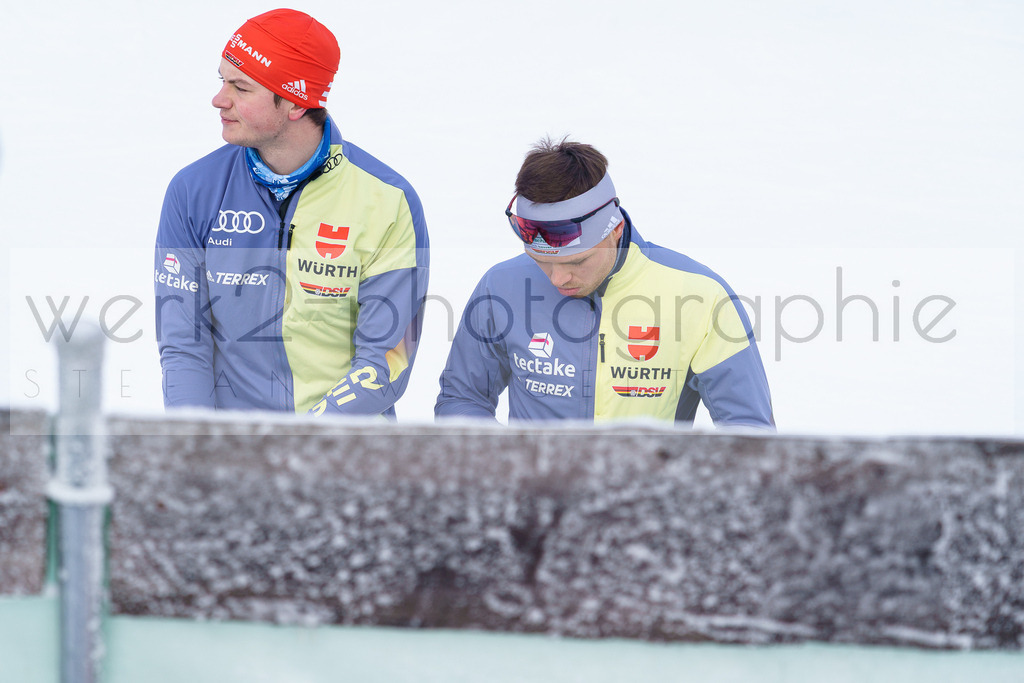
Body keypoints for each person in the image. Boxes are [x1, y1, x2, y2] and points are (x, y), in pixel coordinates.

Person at [155, 9, 429, 417]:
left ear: (297, 103)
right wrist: (201, 444)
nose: (219, 99)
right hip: (231, 454)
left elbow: (386, 362)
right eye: (222, 80)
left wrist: (300, 446)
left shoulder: (387, 200)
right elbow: (183, 344)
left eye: (241, 87)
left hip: (345, 451)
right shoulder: (194, 190)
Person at [435, 138, 773, 428]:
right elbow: (461, 399)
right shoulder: (501, 286)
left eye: (576, 261)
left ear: (614, 229)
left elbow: (748, 432)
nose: (557, 279)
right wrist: (505, 470)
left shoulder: (700, 295)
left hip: (644, 503)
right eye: (540, 262)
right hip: (533, 502)